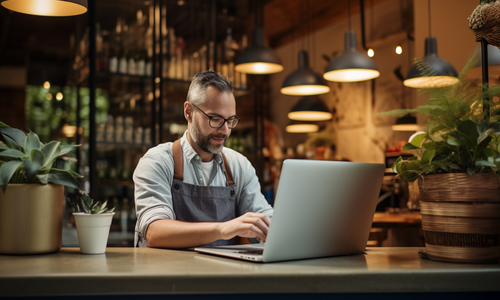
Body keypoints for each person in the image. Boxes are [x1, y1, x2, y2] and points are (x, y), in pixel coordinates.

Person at [133, 70, 273, 248]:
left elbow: (263, 218)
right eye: (215, 119)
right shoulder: (157, 162)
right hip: (167, 274)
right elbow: (154, 231)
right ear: (189, 112)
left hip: (220, 274)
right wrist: (222, 229)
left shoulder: (240, 166)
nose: (224, 130)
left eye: (230, 121)